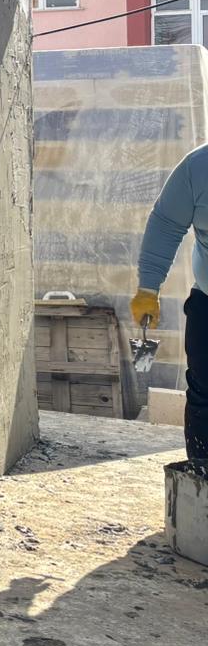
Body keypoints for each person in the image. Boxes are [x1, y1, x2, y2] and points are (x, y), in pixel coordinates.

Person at [135, 144, 208, 459]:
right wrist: (148, 290)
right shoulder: (197, 168)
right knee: (204, 395)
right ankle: (201, 476)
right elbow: (165, 226)